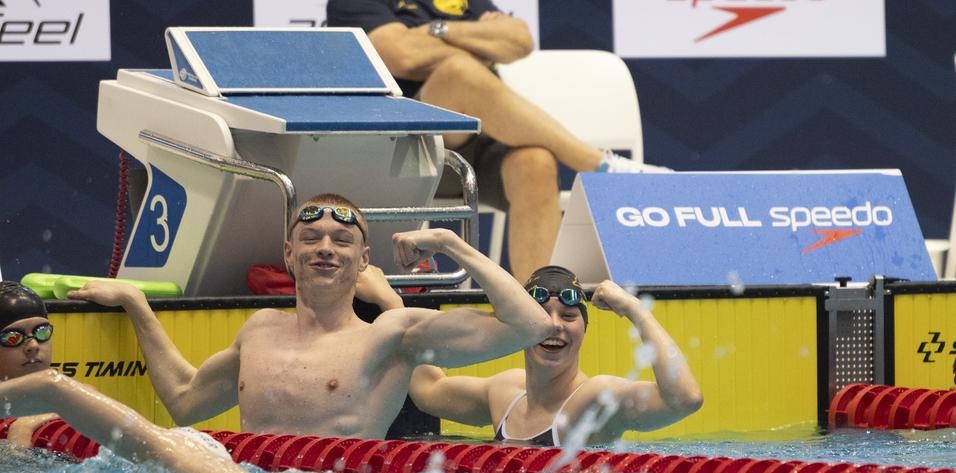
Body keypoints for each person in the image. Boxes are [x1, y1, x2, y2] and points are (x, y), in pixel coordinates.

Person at [67, 194, 552, 440]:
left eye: (342, 241)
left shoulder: (392, 335)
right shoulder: (259, 330)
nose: (325, 248)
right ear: (288, 254)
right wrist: (136, 305)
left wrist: (449, 243)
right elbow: (184, 402)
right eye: (311, 238)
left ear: (363, 261)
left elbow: (529, 325)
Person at [325, 1, 669, 283]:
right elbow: (402, 56)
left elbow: (519, 40)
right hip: (406, 151)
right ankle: (598, 164)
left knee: (535, 162)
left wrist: (439, 31)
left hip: (476, 146)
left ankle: (539, 308)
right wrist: (478, 41)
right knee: (459, 71)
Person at [0, 281, 274, 473]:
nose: (32, 345)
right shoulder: (53, 393)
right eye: (13, 337)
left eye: (42, 332)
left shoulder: (76, 393)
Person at [409, 266, 703, 446]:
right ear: (520, 329)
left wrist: (634, 309)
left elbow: (685, 399)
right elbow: (428, 390)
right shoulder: (504, 393)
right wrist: (394, 304)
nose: (554, 325)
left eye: (569, 316)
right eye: (542, 315)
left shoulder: (595, 399)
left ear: (584, 330)